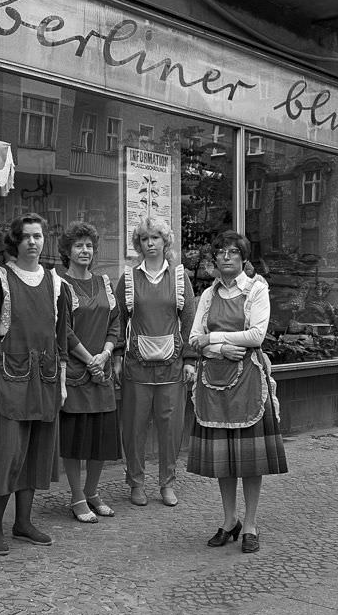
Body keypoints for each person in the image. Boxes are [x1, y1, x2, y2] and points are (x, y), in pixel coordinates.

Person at [187, 230, 287, 554]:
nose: (226, 257)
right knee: (224, 459)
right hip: (213, 381)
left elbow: (257, 335)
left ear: (244, 259)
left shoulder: (257, 289)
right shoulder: (206, 296)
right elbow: (193, 338)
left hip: (248, 382)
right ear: (214, 260)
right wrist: (221, 347)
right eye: (221, 252)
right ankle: (230, 520)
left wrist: (215, 340)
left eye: (233, 252)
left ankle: (252, 524)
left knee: (248, 460)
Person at [0, 213, 70, 555]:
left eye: (39, 236)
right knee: (6, 453)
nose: (33, 241)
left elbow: (60, 336)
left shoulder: (56, 282)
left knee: (33, 453)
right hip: (9, 376)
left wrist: (61, 380)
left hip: (43, 378)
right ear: (15, 242)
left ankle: (23, 523)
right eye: (27, 236)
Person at [115, 216, 196, 508]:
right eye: (145, 239)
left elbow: (189, 320)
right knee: (134, 427)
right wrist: (117, 356)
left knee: (171, 428)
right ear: (138, 243)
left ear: (166, 242)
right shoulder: (128, 278)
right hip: (136, 366)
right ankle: (136, 482)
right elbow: (118, 320)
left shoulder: (178, 276)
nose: (150, 244)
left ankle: (167, 483)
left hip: (172, 367)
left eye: (156, 238)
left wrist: (189, 359)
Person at [56, 221, 121, 523]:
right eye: (79, 245)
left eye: (89, 246)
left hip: (102, 372)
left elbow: (115, 323)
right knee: (75, 439)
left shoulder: (104, 282)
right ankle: (77, 496)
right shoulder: (59, 284)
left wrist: (105, 355)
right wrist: (88, 359)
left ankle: (93, 491)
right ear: (67, 251)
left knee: (99, 438)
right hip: (76, 373)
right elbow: (63, 329)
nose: (85, 250)